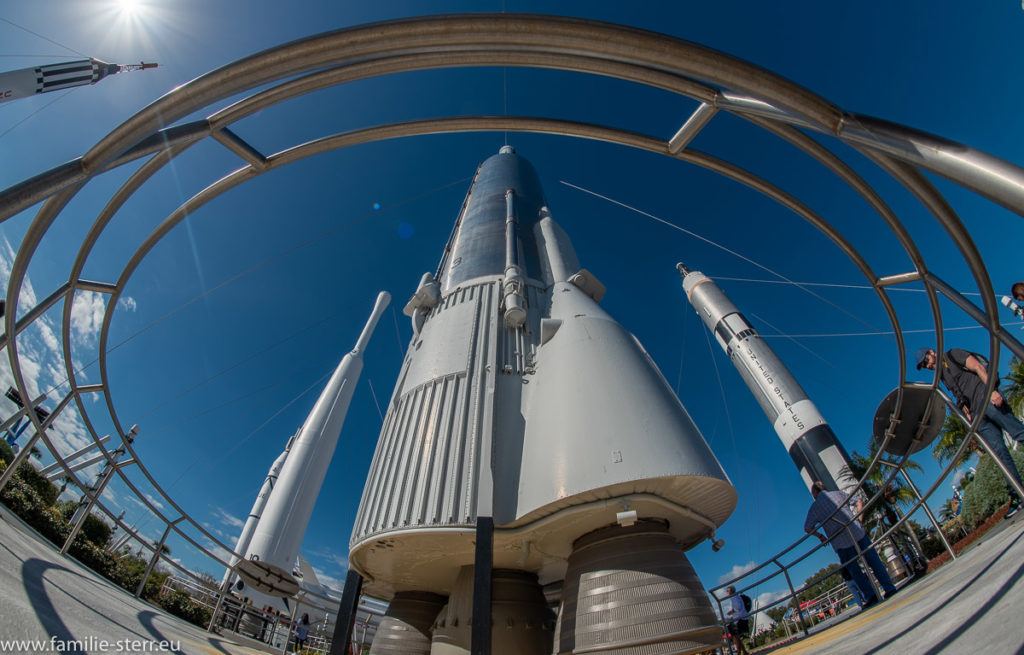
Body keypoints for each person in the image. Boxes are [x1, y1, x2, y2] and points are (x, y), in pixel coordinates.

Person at [916, 347, 1024, 518]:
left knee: (1018, 433)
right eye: (923, 365)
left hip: (986, 398)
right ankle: (1018, 493)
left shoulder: (952, 355)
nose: (927, 365)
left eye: (926, 361)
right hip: (977, 414)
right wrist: (969, 417)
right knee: (999, 454)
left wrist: (992, 392)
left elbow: (978, 367)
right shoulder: (943, 376)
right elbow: (960, 396)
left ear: (932, 352)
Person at [804, 481, 897, 609]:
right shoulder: (838, 494)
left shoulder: (815, 507)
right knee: (874, 561)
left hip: (841, 542)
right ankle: (889, 587)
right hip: (857, 532)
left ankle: (871, 596)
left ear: (815, 492)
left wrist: (821, 537)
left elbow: (807, 527)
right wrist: (858, 519)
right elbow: (858, 501)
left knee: (855, 571)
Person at [723, 585, 749, 655]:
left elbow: (738, 608)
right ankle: (744, 651)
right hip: (740, 618)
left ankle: (739, 652)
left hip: (740, 619)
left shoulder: (734, 598)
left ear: (731, 591)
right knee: (736, 636)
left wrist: (731, 612)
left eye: (727, 591)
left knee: (735, 636)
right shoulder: (736, 597)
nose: (726, 592)